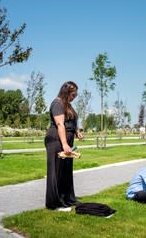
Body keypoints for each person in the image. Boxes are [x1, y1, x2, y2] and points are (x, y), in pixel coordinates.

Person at [44, 81, 84, 211]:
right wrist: (65, 144)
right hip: (56, 140)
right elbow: (60, 124)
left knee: (65, 171)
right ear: (66, 93)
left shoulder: (68, 105)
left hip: (66, 139)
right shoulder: (57, 103)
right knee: (56, 171)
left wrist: (76, 131)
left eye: (76, 94)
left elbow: (70, 122)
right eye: (73, 94)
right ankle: (55, 203)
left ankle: (67, 199)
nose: (75, 97)